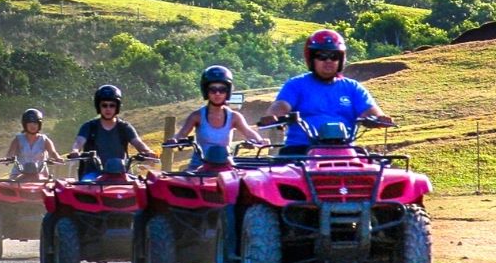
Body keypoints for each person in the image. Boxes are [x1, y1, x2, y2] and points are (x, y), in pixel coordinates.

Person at [261, 29, 392, 155]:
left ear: (341, 60)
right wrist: (273, 116)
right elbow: (281, 105)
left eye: (334, 56)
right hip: (300, 151)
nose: (328, 60)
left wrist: (380, 118)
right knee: (282, 174)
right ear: (311, 58)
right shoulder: (295, 85)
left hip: (346, 152)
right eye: (322, 56)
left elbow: (370, 111)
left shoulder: (353, 88)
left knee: (378, 172)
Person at [168, 65, 268, 170]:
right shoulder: (196, 116)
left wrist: (260, 141)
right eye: (213, 90)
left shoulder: (234, 117)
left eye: (222, 90)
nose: (217, 93)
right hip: (199, 164)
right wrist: (175, 140)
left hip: (225, 164)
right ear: (206, 91)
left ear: (228, 91)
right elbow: (182, 133)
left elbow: (248, 132)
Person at [70, 85, 157, 181]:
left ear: (117, 107)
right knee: (85, 187)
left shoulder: (124, 127)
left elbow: (138, 143)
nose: (108, 109)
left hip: (122, 174)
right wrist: (75, 151)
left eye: (112, 105)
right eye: (104, 105)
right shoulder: (89, 126)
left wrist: (148, 152)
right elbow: (79, 142)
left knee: (142, 187)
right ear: (98, 106)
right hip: (93, 174)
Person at [5, 108, 62, 178]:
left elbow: (53, 152)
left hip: (41, 177)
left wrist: (58, 158)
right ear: (25, 124)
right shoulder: (18, 139)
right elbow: (10, 153)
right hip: (18, 176)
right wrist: (8, 159)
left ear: (39, 124)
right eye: (30, 123)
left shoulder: (44, 140)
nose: (33, 126)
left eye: (35, 123)